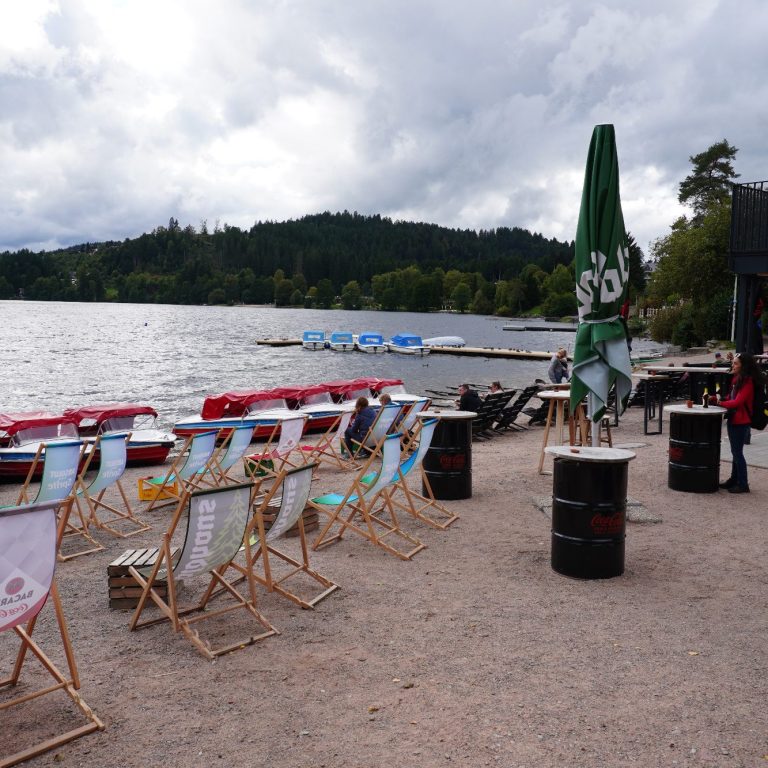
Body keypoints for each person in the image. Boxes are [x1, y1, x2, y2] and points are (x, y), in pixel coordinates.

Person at [715, 353, 763, 493]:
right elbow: (731, 397)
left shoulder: (747, 381)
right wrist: (717, 399)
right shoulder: (738, 379)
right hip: (735, 418)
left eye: (736, 363)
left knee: (737, 452)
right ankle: (734, 479)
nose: (733, 365)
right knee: (735, 451)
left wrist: (720, 403)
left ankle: (743, 484)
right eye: (733, 363)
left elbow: (737, 402)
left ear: (743, 366)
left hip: (741, 420)